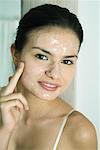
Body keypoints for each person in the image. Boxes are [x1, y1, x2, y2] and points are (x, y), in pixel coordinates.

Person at [0, 4, 97, 150]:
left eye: (66, 61)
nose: (54, 74)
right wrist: (4, 131)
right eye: (42, 56)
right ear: (15, 54)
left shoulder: (78, 132)